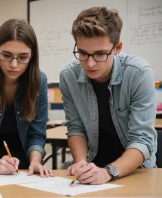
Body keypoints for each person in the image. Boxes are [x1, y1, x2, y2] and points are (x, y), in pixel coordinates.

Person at [60, 6, 157, 185]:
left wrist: (109, 172)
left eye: (100, 54)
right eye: (82, 53)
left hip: (136, 172)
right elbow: (76, 128)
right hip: (93, 170)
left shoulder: (139, 73)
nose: (89, 63)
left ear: (117, 48)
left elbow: (143, 140)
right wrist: (81, 163)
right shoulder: (68, 76)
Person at [0, 18, 53, 177]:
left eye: (23, 57)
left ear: (32, 56)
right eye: (6, 55)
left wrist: (35, 161)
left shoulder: (39, 81)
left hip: (23, 169)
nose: (14, 64)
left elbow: (37, 134)